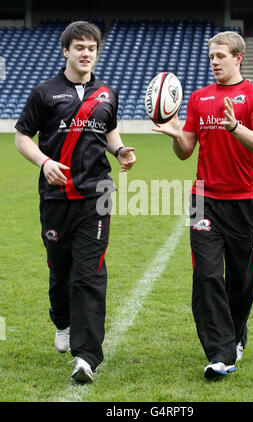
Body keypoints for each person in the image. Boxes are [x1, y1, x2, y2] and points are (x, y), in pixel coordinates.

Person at [15, 21, 136, 383]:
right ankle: (62, 320)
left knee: (89, 274)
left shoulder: (106, 93)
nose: (86, 54)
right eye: (79, 47)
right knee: (60, 271)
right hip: (55, 197)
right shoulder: (45, 92)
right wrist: (45, 162)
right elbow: (22, 137)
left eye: (92, 48)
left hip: (95, 196)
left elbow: (108, 128)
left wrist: (120, 151)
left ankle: (86, 357)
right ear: (65, 50)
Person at [153, 31, 253, 379]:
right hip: (204, 201)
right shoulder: (199, 98)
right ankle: (220, 354)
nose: (215, 62)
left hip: (246, 202)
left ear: (238, 57)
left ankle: (236, 334)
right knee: (206, 275)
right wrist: (177, 135)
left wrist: (235, 126)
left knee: (243, 279)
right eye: (211, 57)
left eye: (221, 56)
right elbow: (186, 151)